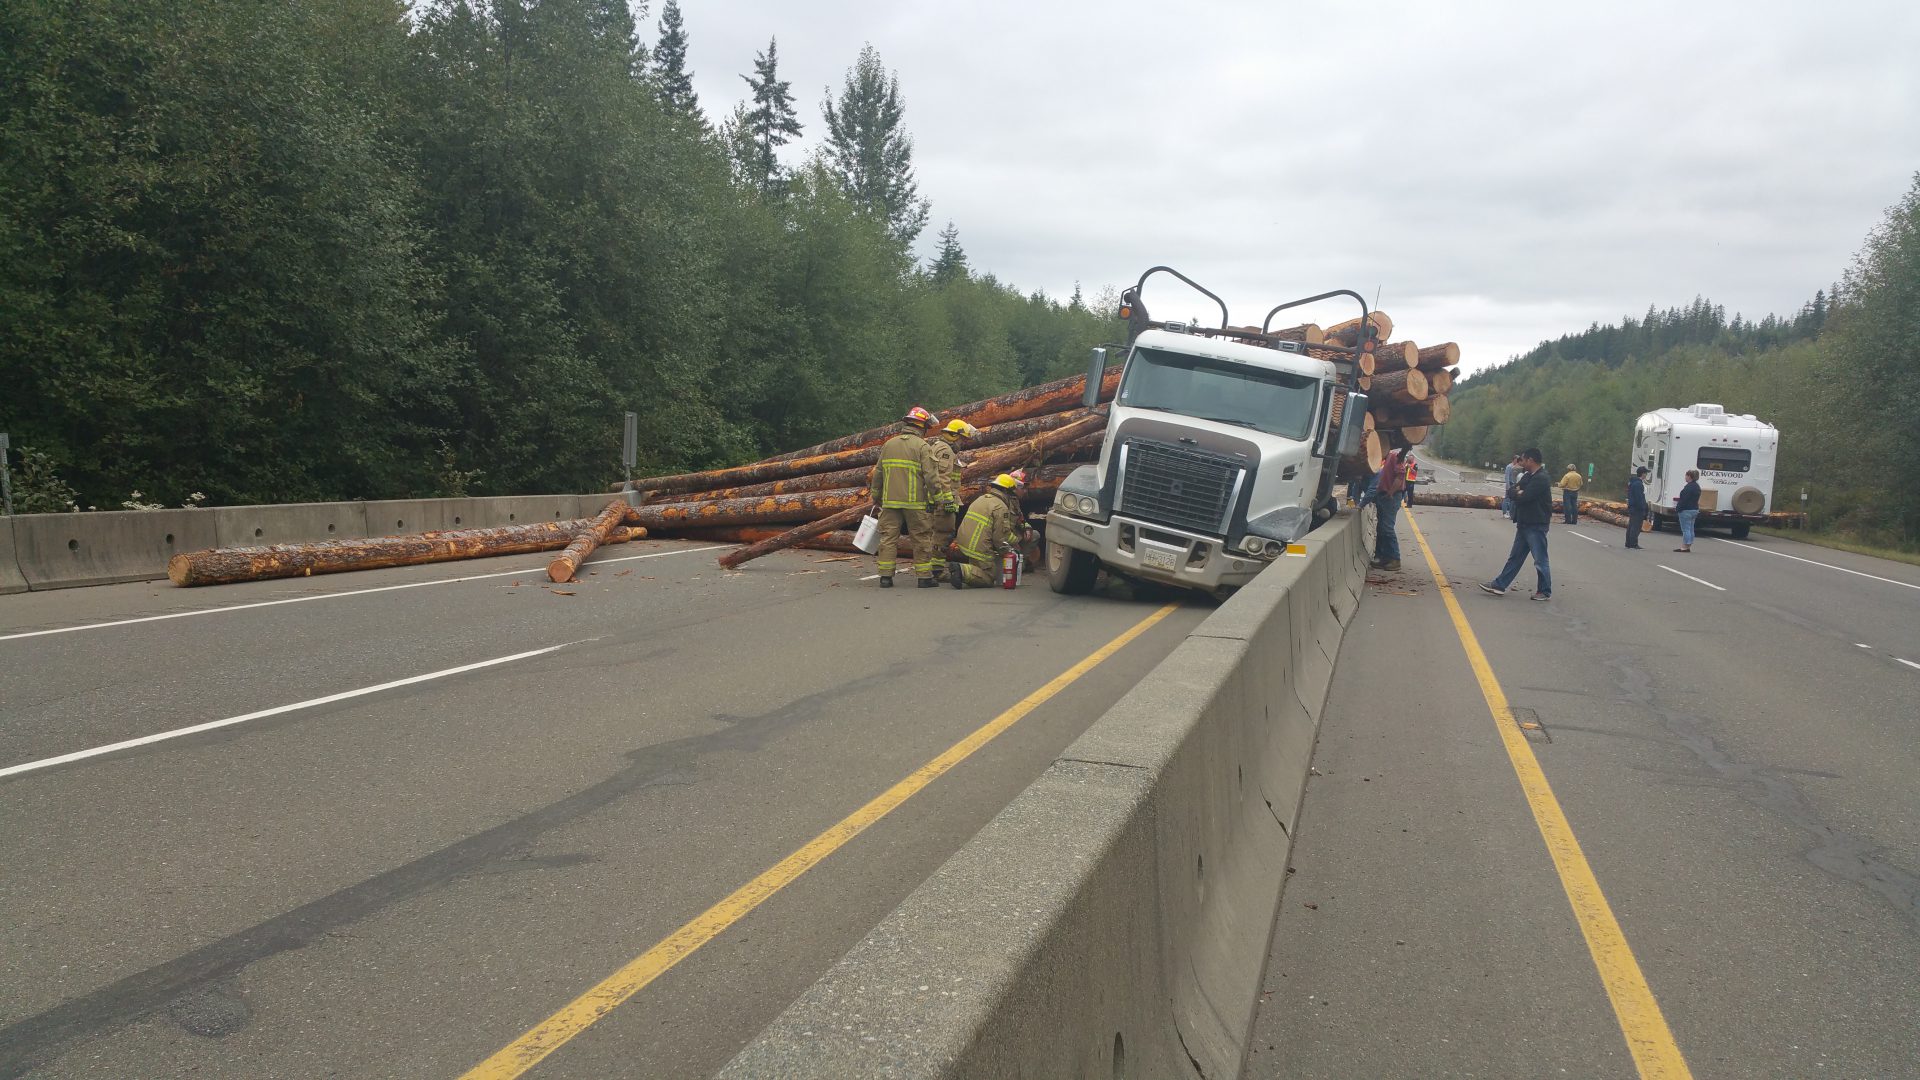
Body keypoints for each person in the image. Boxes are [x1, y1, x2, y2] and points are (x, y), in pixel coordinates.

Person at [868, 406, 942, 587]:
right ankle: (924, 578)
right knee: (921, 538)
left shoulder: (889, 445)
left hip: (890, 502)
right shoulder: (922, 446)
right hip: (915, 503)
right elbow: (931, 477)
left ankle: (885, 578)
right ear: (922, 426)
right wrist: (937, 497)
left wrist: (876, 496)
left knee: (888, 538)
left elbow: (878, 474)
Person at [1479, 447, 1552, 600]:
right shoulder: (1528, 476)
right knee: (1515, 557)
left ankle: (1544, 591)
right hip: (1524, 523)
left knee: (1540, 559)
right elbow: (1512, 491)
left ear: (1531, 460)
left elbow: (1525, 497)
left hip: (1536, 524)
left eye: (1524, 460)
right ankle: (1499, 585)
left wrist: (1520, 493)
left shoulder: (1541, 478)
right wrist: (1518, 492)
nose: (1522, 463)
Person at [948, 471, 1029, 588]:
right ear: (1006, 491)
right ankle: (962, 570)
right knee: (988, 577)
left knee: (981, 566)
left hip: (963, 542)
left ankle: (966, 569)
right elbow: (1001, 538)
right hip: (978, 546)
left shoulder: (982, 499)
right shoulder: (1001, 507)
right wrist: (1014, 545)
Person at [925, 420, 977, 579]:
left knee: (938, 534)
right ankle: (937, 571)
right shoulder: (945, 450)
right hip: (943, 501)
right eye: (962, 439)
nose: (963, 443)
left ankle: (932, 568)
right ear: (954, 436)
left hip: (939, 499)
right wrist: (947, 501)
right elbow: (942, 478)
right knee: (943, 534)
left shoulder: (940, 448)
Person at [1359, 446, 1407, 571]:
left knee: (1387, 528)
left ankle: (1394, 558)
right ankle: (1382, 557)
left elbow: (1400, 475)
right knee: (1381, 528)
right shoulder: (1383, 461)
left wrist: (1391, 492)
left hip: (1391, 497)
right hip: (1383, 495)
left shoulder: (1395, 457)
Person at [1674, 469, 1702, 553]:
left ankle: (1684, 546)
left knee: (1685, 529)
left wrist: (1678, 508)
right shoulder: (1697, 486)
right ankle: (1688, 545)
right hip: (1694, 509)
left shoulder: (1688, 487)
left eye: (1686, 475)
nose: (1685, 477)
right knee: (1690, 528)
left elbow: (1684, 500)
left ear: (1689, 476)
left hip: (1686, 510)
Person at [1624, 465, 1649, 549]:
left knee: (1631, 525)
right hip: (1637, 509)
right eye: (1645, 473)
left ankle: (1628, 542)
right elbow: (1639, 498)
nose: (1646, 475)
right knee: (1636, 526)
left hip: (1632, 507)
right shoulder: (1638, 484)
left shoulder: (1633, 482)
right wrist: (1643, 507)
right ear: (1643, 474)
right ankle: (1633, 544)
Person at [1501, 454, 1522, 519]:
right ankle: (1504, 512)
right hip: (1510, 484)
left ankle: (1510, 512)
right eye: (1517, 459)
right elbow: (1507, 477)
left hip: (1514, 485)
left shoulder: (1517, 467)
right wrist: (1508, 486)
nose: (1518, 461)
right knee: (1506, 498)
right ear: (1514, 459)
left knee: (1512, 499)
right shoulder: (1509, 467)